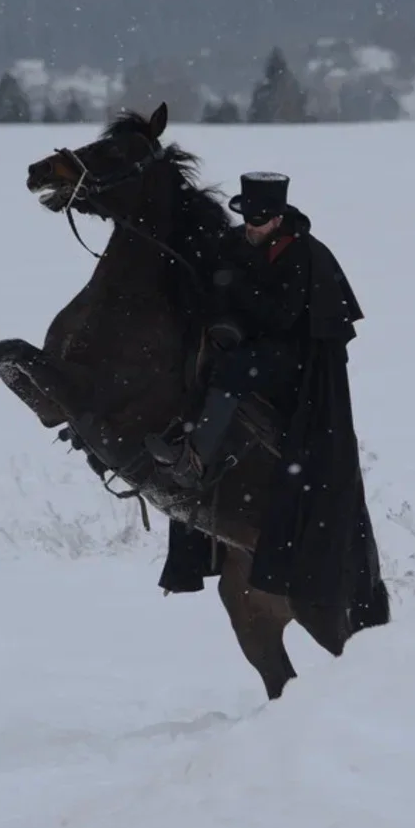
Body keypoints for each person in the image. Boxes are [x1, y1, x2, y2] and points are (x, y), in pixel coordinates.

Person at [150, 169, 389, 634]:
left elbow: (281, 316)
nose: (252, 227)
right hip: (254, 342)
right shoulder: (244, 242)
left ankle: (195, 456)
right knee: (198, 361)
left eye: (261, 220)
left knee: (234, 370)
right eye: (249, 218)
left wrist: (233, 289)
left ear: (278, 217)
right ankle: (182, 432)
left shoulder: (304, 255)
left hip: (297, 358)